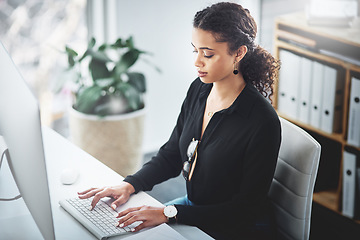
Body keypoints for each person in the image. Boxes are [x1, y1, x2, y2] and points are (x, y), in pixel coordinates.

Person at [78, 2, 281, 239]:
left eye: (208, 54)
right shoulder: (200, 89)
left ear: (239, 53)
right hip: (193, 208)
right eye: (195, 50)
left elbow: (243, 212)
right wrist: (130, 184)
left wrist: (169, 213)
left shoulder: (261, 122)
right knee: (123, 230)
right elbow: (173, 154)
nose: (197, 62)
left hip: (237, 227)